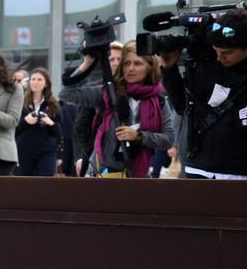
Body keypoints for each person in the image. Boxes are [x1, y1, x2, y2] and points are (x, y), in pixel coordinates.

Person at [161, 8, 247, 179]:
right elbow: (182, 107)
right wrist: (169, 70)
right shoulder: (208, 63)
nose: (220, 58)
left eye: (227, 53)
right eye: (217, 51)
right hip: (196, 171)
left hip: (245, 176)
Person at [60, 40, 174, 178]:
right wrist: (87, 63)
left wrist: (139, 136)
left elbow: (168, 139)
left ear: (150, 67)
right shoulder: (108, 93)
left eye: (137, 63)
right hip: (101, 172)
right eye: (126, 63)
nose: (130, 68)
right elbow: (66, 94)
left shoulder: (159, 101)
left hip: (137, 174)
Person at [67, 41, 123, 176]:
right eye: (111, 59)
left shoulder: (136, 89)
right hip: (97, 159)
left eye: (119, 59)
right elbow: (80, 125)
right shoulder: (95, 89)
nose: (115, 63)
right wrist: (84, 156)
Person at [15, 67, 62, 176]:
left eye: (40, 79)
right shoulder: (19, 103)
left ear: (46, 84)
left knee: (45, 186)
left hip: (46, 152)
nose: (35, 82)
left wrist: (50, 123)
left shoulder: (53, 105)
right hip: (23, 150)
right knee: (23, 185)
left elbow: (60, 132)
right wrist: (26, 121)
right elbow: (12, 129)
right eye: (33, 79)